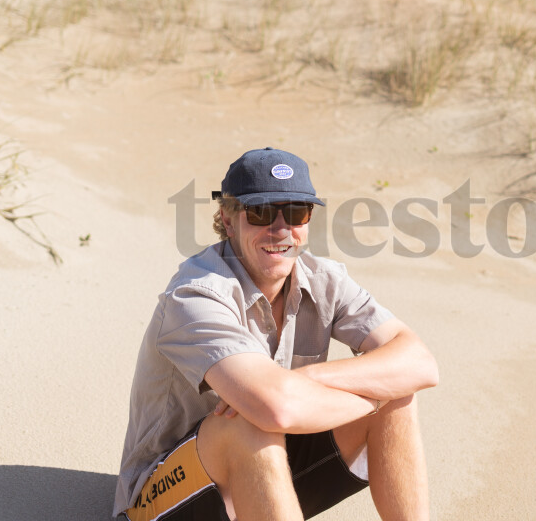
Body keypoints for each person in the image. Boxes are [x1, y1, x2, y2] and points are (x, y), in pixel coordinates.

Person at [114, 147, 439, 521]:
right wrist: (368, 396)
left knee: (397, 395)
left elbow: (420, 362)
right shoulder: (196, 294)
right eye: (262, 213)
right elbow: (276, 409)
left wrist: (308, 378)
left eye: (296, 213)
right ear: (228, 218)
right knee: (250, 422)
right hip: (157, 501)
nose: (281, 229)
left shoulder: (325, 278)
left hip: (264, 473)